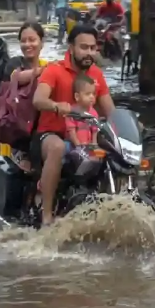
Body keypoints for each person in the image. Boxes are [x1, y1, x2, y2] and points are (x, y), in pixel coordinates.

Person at [32, 24, 116, 226]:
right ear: (71, 48)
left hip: (86, 136)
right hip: (51, 134)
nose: (89, 53)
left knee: (115, 146)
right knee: (58, 147)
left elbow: (109, 110)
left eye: (93, 48)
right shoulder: (54, 70)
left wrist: (129, 123)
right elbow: (38, 99)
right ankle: (47, 214)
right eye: (83, 47)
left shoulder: (96, 74)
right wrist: (56, 106)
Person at [1, 21, 48, 173]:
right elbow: (17, 77)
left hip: (42, 133)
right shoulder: (14, 63)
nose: (27, 44)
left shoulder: (47, 65)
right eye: (23, 40)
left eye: (32, 40)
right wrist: (41, 72)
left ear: (42, 42)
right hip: (18, 139)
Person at [65, 74, 99, 149]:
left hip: (87, 144)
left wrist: (94, 145)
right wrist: (78, 146)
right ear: (77, 96)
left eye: (93, 94)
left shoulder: (93, 113)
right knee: (65, 147)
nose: (92, 97)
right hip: (73, 144)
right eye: (87, 94)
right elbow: (72, 132)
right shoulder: (72, 112)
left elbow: (94, 131)